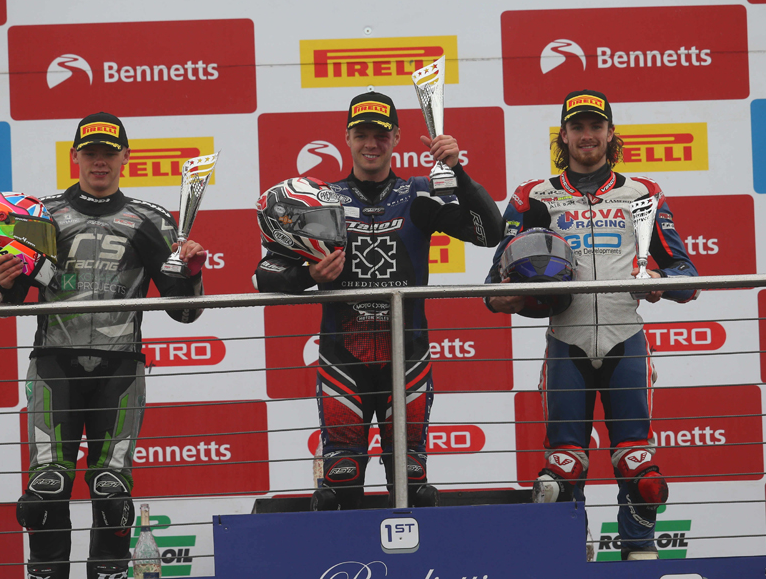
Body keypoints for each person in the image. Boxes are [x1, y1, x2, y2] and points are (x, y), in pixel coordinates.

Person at [255, 91, 503, 510]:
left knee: (413, 487)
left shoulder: (419, 193)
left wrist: (457, 170)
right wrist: (309, 276)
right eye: (361, 134)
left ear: (397, 138)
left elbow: (489, 233)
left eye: (381, 135)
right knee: (340, 486)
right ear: (347, 138)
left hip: (408, 359)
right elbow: (265, 274)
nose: (371, 143)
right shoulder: (322, 199)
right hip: (342, 361)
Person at [0, 112, 207, 579]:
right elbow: (6, 300)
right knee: (45, 493)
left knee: (112, 494)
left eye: (109, 152)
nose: (100, 161)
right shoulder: (40, 216)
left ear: (126, 157)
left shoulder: (152, 219)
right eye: (91, 153)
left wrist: (192, 274)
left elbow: (185, 312)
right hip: (54, 365)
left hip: (120, 369)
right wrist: (1, 282)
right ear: (75, 156)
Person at [484, 90, 698, 560]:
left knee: (641, 470)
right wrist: (512, 296)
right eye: (577, 127)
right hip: (567, 341)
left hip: (626, 339)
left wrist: (659, 280)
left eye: (595, 126)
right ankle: (567, 559)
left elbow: (688, 278)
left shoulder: (643, 193)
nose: (587, 135)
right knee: (560, 471)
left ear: (610, 133)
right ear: (563, 135)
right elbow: (493, 287)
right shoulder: (532, 197)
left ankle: (639, 557)